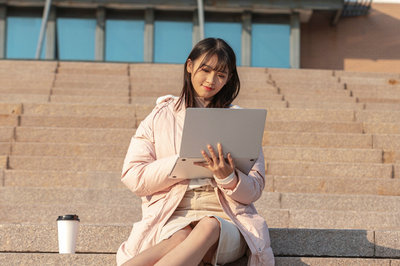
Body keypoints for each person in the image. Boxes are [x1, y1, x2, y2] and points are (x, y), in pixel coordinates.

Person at [116, 38, 274, 266]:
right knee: (180, 235)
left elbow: (255, 188)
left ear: (229, 78)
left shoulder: (240, 121)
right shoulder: (160, 117)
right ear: (189, 66)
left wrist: (228, 177)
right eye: (206, 70)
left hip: (228, 219)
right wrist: (181, 164)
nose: (212, 80)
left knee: (208, 224)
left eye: (221, 74)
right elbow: (133, 176)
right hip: (173, 217)